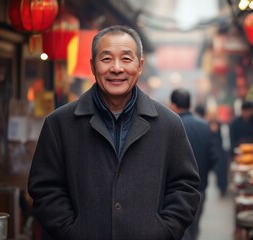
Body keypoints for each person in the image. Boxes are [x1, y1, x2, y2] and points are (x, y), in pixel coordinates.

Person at [28, 25, 200, 240]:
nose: (117, 68)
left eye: (127, 59)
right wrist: (71, 231)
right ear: (92, 65)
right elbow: (45, 189)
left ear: (140, 66)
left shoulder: (168, 124)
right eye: (106, 59)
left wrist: (162, 230)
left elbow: (185, 186)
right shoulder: (59, 124)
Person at [170, 89, 221, 240]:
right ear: (189, 104)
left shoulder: (171, 126)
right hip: (200, 187)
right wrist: (203, 173)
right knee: (194, 226)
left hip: (176, 189)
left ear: (173, 105)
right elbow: (214, 156)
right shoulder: (204, 126)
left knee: (180, 229)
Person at [194, 104, 229, 197]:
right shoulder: (206, 125)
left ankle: (223, 188)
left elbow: (225, 139)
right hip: (211, 151)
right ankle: (219, 187)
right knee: (214, 172)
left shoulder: (221, 125)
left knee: (222, 172)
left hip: (221, 151)